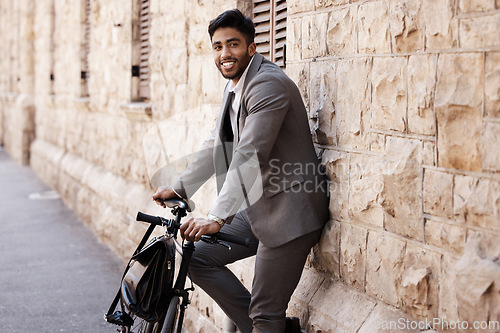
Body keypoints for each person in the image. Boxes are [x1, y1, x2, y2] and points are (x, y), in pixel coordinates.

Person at [153, 9, 329, 333]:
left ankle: (267, 326)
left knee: (264, 313)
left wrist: (216, 217)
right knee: (197, 257)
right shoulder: (235, 86)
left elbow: (248, 155)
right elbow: (216, 145)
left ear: (251, 47)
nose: (224, 54)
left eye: (232, 44)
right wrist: (181, 189)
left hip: (290, 212)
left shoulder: (268, 85)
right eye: (218, 47)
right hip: (261, 206)